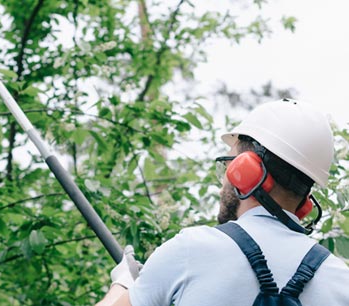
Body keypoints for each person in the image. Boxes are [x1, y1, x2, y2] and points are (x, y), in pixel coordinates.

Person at [96, 99, 349, 306]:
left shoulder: (190, 250)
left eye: (228, 165)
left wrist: (125, 283)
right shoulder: (341, 281)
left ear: (246, 170)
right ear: (306, 202)